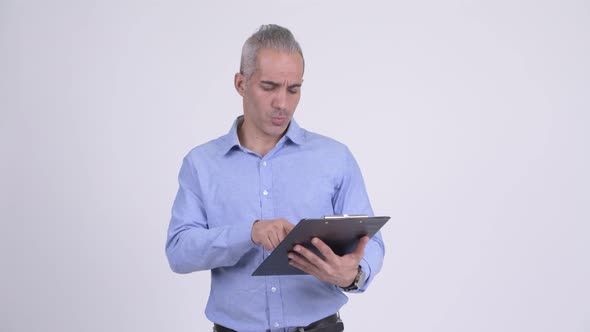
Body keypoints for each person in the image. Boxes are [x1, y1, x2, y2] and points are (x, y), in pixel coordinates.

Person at [165, 24, 385, 332]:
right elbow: (179, 251)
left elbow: (370, 241)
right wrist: (249, 233)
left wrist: (352, 275)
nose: (282, 103)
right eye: (269, 87)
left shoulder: (335, 157)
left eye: (293, 89)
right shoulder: (201, 164)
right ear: (241, 83)